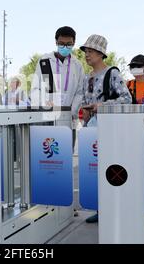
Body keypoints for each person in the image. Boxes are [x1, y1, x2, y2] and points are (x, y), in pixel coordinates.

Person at [77, 34, 132, 223]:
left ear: (101, 53)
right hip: (91, 131)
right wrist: (85, 111)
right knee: (96, 172)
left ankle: (117, 210)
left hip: (110, 130)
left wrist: (102, 106)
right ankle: (102, 211)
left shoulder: (112, 73)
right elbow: (86, 100)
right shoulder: (87, 77)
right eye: (85, 52)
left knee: (112, 171)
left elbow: (127, 99)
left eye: (90, 51)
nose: (87, 55)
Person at [31, 26, 85, 117]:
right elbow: (35, 89)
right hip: (47, 114)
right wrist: (44, 103)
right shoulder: (45, 61)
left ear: (73, 43)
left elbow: (80, 92)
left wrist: (72, 112)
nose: (65, 47)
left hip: (68, 117)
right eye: (61, 43)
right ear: (56, 42)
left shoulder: (77, 65)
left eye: (69, 44)